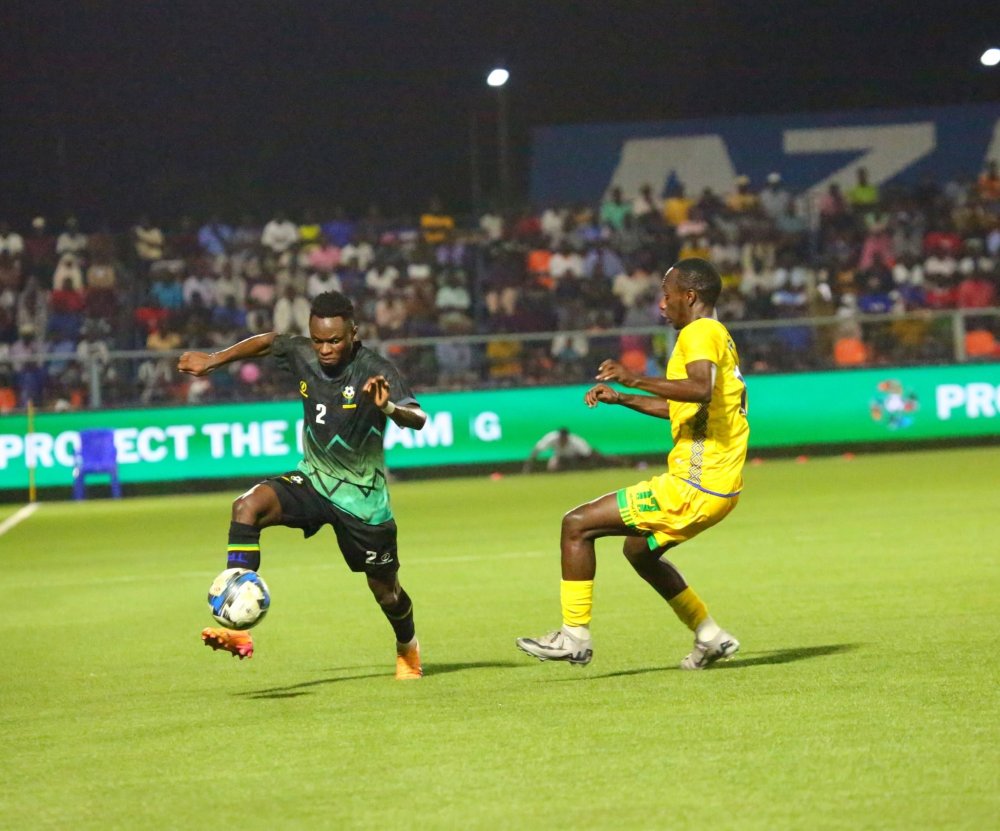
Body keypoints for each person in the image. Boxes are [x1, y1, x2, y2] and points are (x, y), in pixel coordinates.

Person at [177, 291, 428, 679]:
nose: (324, 350)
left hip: (362, 502)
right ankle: (237, 621)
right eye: (318, 340)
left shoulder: (375, 369)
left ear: (353, 334)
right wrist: (213, 360)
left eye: (334, 341)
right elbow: (268, 342)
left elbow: (418, 418)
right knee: (247, 507)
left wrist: (388, 408)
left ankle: (407, 647)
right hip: (313, 479)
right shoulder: (303, 354)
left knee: (387, 593)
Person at [516, 258, 749, 670]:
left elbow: (698, 389)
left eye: (667, 294)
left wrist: (632, 377)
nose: (661, 304)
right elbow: (685, 407)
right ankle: (709, 635)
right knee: (639, 551)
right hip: (718, 487)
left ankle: (574, 636)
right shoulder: (719, 336)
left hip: (694, 486)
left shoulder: (699, 332)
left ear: (689, 296)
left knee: (576, 525)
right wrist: (624, 398)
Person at [523, 427, 597, 473]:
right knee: (552, 468)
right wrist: (528, 465)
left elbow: (588, 453)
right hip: (559, 457)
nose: (563, 440)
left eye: (565, 438)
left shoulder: (576, 441)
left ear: (567, 437)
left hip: (574, 458)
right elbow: (536, 450)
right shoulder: (551, 438)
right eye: (562, 438)